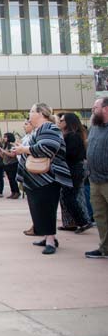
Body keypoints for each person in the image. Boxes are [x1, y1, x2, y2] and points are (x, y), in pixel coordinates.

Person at [13, 103, 72, 255]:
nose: (29, 114)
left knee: (46, 208)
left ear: (40, 113)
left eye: (31, 111)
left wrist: (23, 149)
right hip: (36, 177)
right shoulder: (38, 130)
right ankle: (47, 237)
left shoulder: (50, 128)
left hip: (48, 177)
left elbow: (47, 147)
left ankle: (51, 240)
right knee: (38, 208)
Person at [57, 113, 92, 233]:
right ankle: (72, 223)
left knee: (69, 197)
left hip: (74, 170)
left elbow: (70, 154)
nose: (59, 122)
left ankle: (83, 221)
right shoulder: (70, 135)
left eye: (62, 120)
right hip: (72, 169)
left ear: (68, 122)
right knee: (68, 197)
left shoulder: (72, 136)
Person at [86, 97, 108, 258]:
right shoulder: (94, 127)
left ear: (105, 109)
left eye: (95, 107)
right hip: (95, 180)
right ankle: (105, 248)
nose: (93, 110)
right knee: (100, 216)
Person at [0, 133, 21, 198]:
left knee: (13, 178)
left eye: (5, 137)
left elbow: (13, 155)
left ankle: (17, 192)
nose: (4, 138)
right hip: (6, 164)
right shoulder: (5, 145)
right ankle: (13, 192)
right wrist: (0, 153)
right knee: (10, 179)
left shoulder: (11, 145)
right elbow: (4, 156)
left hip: (12, 164)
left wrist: (4, 151)